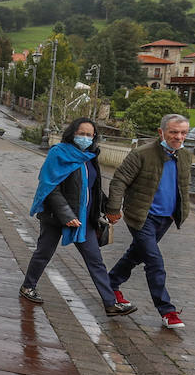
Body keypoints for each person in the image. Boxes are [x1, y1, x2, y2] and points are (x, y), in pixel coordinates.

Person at [19, 117, 136, 316]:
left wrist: (109, 208)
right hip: (56, 216)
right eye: (81, 133)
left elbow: (93, 189)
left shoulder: (90, 157)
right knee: (43, 253)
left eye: (89, 135)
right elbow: (50, 187)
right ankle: (28, 286)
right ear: (72, 133)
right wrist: (67, 215)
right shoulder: (58, 153)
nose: (85, 138)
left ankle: (110, 303)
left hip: (84, 219)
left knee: (95, 261)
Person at [104, 113, 194, 329]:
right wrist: (114, 208)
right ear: (161, 132)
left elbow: (183, 186)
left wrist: (180, 211)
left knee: (135, 255)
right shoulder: (142, 154)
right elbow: (119, 181)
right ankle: (167, 310)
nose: (178, 137)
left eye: (183, 133)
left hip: (166, 219)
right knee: (154, 262)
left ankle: (110, 283)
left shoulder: (185, 157)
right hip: (142, 216)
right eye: (173, 132)